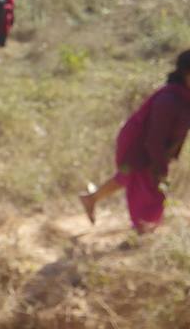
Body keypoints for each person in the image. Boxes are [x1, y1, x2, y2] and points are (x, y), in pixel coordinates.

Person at [80, 50, 190, 233]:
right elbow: (154, 140)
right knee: (150, 191)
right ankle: (141, 235)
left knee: (128, 176)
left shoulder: (184, 95)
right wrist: (160, 170)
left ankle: (91, 199)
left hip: (147, 147)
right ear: (187, 73)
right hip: (138, 147)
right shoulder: (169, 100)